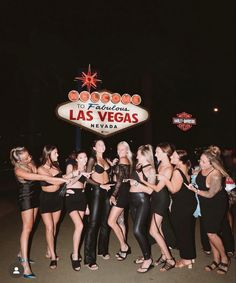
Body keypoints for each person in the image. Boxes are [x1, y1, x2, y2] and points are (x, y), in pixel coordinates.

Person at [10, 147, 67, 278]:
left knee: (33, 225)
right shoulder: (18, 170)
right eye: (26, 158)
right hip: (26, 198)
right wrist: (63, 180)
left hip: (36, 196)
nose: (30, 158)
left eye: (29, 154)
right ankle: (25, 266)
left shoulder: (30, 162)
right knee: (27, 228)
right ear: (19, 160)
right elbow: (40, 176)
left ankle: (20, 253)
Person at [185, 146, 230, 275]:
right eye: (200, 160)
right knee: (210, 232)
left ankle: (225, 259)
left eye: (204, 161)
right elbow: (195, 173)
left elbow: (211, 194)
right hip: (205, 204)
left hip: (216, 204)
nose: (200, 163)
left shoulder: (216, 174)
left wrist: (195, 190)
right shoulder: (202, 168)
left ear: (212, 163)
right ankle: (216, 260)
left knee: (211, 233)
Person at [139, 143, 176, 271]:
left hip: (161, 199)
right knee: (158, 230)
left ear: (166, 153)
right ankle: (164, 256)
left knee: (153, 231)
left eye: (158, 152)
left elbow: (158, 188)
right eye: (155, 152)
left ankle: (170, 259)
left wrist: (142, 181)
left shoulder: (168, 168)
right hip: (156, 198)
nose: (155, 154)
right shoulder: (160, 164)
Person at [158, 150, 197, 269]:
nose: (171, 157)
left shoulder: (177, 171)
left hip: (182, 204)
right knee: (187, 231)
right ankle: (190, 257)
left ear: (180, 160)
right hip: (188, 202)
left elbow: (174, 189)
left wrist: (164, 179)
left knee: (182, 232)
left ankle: (186, 260)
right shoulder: (185, 166)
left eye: (174, 156)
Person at [83, 140, 113, 270]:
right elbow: (87, 178)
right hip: (96, 191)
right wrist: (101, 185)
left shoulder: (106, 159)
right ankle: (89, 259)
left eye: (103, 144)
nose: (102, 146)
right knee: (93, 224)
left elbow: (109, 174)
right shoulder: (92, 159)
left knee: (106, 223)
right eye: (99, 144)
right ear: (94, 147)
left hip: (107, 191)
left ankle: (102, 250)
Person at [38, 145, 67, 270]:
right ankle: (53, 257)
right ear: (48, 154)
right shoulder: (40, 169)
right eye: (55, 153)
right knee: (49, 227)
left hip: (57, 199)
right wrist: (67, 177)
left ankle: (48, 249)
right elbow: (55, 181)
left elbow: (62, 181)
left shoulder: (56, 166)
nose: (58, 155)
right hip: (46, 200)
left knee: (54, 226)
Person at [129, 144, 155, 273]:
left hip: (142, 201)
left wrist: (138, 183)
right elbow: (132, 181)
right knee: (141, 231)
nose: (136, 155)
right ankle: (145, 254)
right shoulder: (138, 166)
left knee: (137, 230)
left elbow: (150, 190)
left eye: (138, 153)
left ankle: (148, 259)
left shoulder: (151, 170)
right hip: (132, 200)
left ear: (144, 155)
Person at [64, 150, 91, 271]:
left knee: (79, 228)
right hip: (71, 197)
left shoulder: (86, 169)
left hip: (81, 198)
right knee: (80, 226)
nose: (84, 159)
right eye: (81, 157)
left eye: (85, 157)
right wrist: (80, 173)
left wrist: (87, 206)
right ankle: (75, 255)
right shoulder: (71, 166)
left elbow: (84, 188)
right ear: (76, 159)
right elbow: (68, 183)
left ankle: (75, 253)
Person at [108, 141, 132, 260]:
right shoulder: (125, 160)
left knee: (111, 221)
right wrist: (113, 166)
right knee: (121, 221)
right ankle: (123, 249)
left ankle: (124, 246)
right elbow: (118, 176)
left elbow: (119, 181)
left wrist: (113, 195)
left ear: (127, 150)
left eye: (122, 149)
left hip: (122, 192)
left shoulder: (123, 159)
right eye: (118, 149)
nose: (119, 151)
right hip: (124, 191)